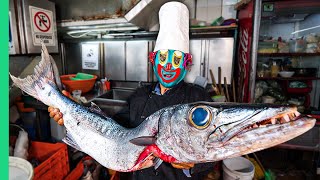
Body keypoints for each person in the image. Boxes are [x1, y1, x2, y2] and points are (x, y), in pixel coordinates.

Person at [49, 2, 215, 179]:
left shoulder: (199, 100)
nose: (168, 66)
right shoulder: (141, 94)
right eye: (163, 58)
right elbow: (112, 128)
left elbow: (215, 147)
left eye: (176, 59)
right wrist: (72, 115)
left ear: (186, 64)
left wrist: (194, 165)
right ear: (153, 60)